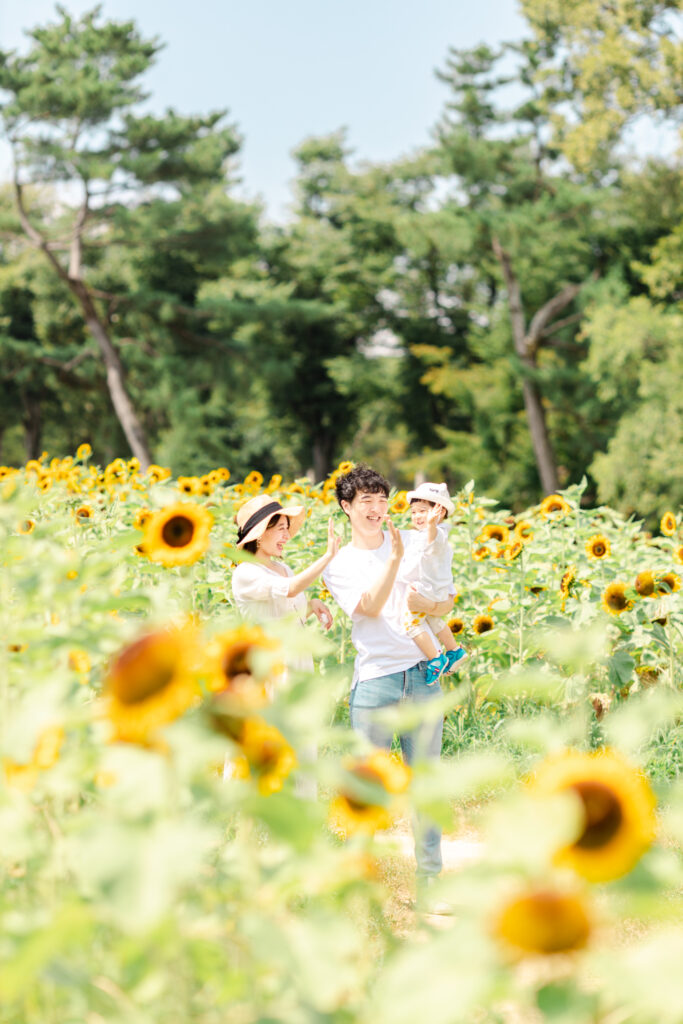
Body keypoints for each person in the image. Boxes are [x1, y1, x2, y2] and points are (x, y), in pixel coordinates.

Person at [322, 464, 454, 899]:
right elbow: (372, 608)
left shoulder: (416, 538)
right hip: (376, 681)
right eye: (366, 502)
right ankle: (361, 884)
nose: (377, 509)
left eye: (382, 500)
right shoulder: (340, 563)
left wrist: (431, 602)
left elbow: (445, 597)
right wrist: (396, 560)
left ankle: (430, 883)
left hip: (422, 674)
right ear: (347, 507)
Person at [230, 493, 340, 795]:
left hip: (297, 664)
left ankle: (300, 818)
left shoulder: (284, 568)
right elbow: (290, 591)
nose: (287, 535)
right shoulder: (246, 573)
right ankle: (252, 822)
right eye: (280, 528)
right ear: (260, 533)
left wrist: (313, 604)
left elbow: (287, 608)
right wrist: (328, 556)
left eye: (287, 528)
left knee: (301, 741)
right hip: (269, 669)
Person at [401, 482, 467, 684]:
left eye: (423, 511)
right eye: (414, 512)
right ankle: (454, 650)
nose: (418, 516)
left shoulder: (437, 534)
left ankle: (435, 658)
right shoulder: (424, 535)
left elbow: (433, 539)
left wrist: (431, 524)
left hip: (425, 591)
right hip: (436, 591)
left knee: (411, 624)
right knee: (433, 620)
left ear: (440, 512)